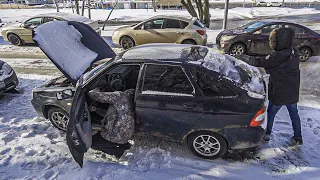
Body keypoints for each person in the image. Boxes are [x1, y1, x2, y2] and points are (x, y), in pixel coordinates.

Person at [236, 28, 303, 145]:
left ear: (281, 41)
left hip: (280, 91)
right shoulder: (293, 52)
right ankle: (298, 137)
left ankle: (267, 134)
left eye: (275, 40)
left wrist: (242, 57)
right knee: (294, 113)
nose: (273, 43)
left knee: (271, 112)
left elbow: (260, 62)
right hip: (292, 90)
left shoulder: (279, 55)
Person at [88, 88, 136, 157]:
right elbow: (111, 114)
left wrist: (95, 89)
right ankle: (125, 145)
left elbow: (96, 95)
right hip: (125, 135)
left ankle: (119, 152)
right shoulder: (131, 102)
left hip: (115, 135)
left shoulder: (120, 96)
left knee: (92, 143)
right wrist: (96, 109)